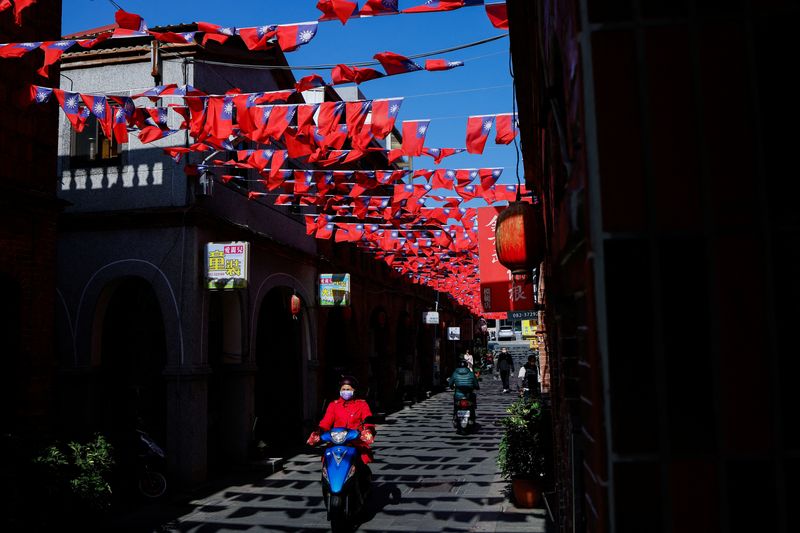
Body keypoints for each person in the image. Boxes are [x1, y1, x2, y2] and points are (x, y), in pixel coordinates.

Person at [306, 375, 376, 476]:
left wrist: (368, 429)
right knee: (327, 462)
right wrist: (319, 431)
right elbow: (326, 422)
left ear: (354, 390)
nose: (345, 391)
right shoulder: (333, 405)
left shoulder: (362, 404)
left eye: (348, 389)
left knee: (361, 465)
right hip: (336, 441)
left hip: (355, 441)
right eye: (343, 389)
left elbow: (368, 419)